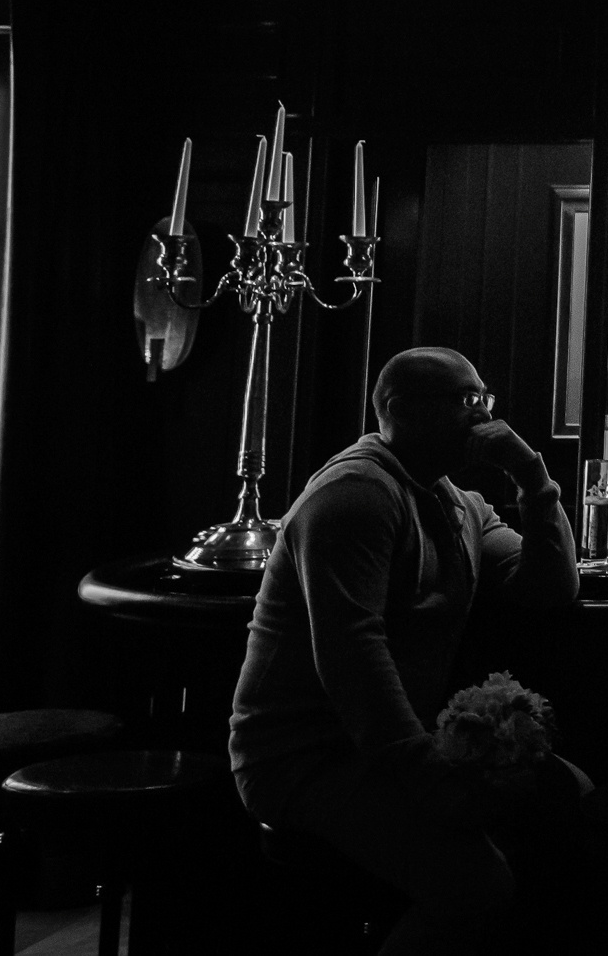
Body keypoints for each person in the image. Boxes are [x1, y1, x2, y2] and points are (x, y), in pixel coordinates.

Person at [229, 347, 580, 956]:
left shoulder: (458, 503)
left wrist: (533, 478)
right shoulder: (354, 495)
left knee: (568, 795)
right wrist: (432, 778)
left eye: (484, 399)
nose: (483, 417)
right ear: (398, 410)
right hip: (301, 757)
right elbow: (352, 657)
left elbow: (551, 589)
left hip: (381, 748)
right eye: (465, 401)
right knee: (478, 884)